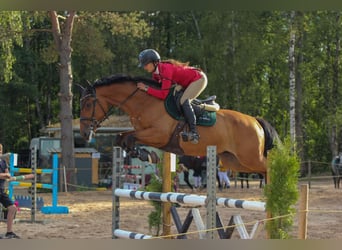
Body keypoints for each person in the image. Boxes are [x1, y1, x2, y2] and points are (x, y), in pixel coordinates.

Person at [137, 49, 208, 144]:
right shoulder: (156, 73)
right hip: (185, 82)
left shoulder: (166, 69)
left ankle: (194, 132)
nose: (144, 67)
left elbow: (163, 95)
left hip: (198, 79)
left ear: (154, 62)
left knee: (183, 101)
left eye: (146, 64)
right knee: (175, 96)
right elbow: (156, 89)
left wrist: (146, 88)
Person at [0, 143, 20, 239]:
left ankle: (9, 232)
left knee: (12, 208)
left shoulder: (3, 162)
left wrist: (9, 176)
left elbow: (7, 174)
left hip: (1, 190)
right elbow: (4, 175)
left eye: (0, 150)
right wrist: (5, 175)